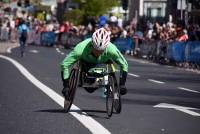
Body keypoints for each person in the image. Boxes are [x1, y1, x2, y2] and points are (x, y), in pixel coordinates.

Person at [60, 28, 128, 99]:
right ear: (92, 44)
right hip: (86, 63)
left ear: (106, 47)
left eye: (101, 50)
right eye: (96, 49)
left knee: (110, 71)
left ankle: (115, 95)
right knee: (90, 89)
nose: (98, 52)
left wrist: (122, 84)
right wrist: (66, 85)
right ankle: (83, 77)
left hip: (103, 62)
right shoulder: (80, 49)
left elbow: (124, 64)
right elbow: (65, 64)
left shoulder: (112, 50)